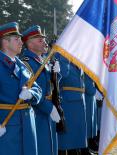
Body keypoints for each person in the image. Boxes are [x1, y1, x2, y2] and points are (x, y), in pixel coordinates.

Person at [0, 22, 42, 155]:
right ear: (5, 43)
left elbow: (38, 90)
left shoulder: (22, 65)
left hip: (28, 126)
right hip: (7, 127)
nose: (21, 42)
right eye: (17, 39)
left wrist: (31, 94)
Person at [20, 25, 61, 155]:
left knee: (50, 147)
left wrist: (56, 75)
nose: (44, 42)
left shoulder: (43, 60)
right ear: (30, 44)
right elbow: (32, 91)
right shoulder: (26, 63)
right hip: (38, 113)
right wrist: (49, 108)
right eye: (40, 40)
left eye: (44, 39)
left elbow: (50, 87)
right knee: (42, 148)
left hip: (49, 110)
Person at [56, 54, 88, 155]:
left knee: (77, 133)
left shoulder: (76, 57)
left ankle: (76, 151)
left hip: (78, 100)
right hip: (68, 101)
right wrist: (65, 56)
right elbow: (63, 74)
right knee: (67, 136)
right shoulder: (61, 56)